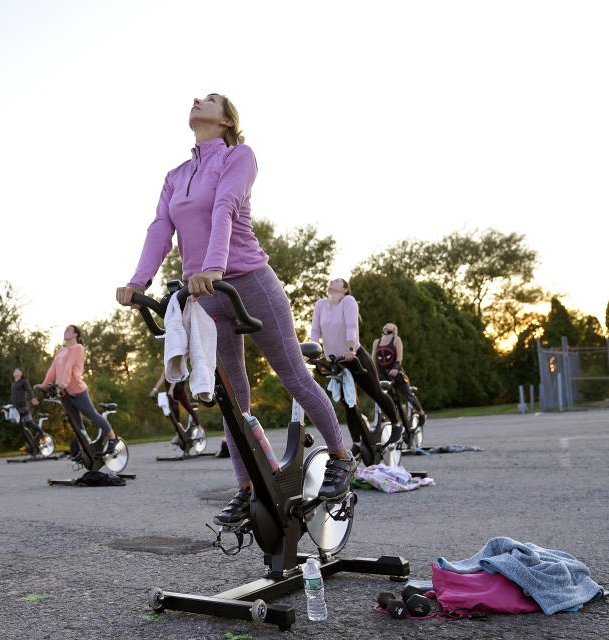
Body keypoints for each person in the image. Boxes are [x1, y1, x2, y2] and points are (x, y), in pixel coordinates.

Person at [116, 93, 354, 527]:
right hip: (206, 293)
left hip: (247, 281)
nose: (195, 101)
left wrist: (212, 266)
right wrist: (138, 281)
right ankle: (248, 489)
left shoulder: (239, 157)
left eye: (207, 100)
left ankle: (341, 457)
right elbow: (159, 229)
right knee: (232, 400)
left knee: (294, 376)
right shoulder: (176, 175)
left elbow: (225, 206)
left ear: (226, 119)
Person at [310, 278, 403, 454]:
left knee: (375, 391)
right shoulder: (320, 305)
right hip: (336, 361)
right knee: (349, 404)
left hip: (355, 356)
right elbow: (315, 331)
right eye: (331, 280)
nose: (332, 281)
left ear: (345, 289)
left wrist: (351, 348)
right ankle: (358, 443)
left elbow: (351, 326)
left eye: (337, 281)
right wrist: (311, 351)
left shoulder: (348, 301)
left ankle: (397, 424)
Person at [34, 325, 119, 455]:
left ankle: (113, 438)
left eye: (68, 329)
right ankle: (83, 449)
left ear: (76, 335)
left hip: (78, 391)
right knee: (76, 423)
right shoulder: (60, 351)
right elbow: (52, 370)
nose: (65, 331)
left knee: (91, 414)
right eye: (65, 329)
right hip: (63, 393)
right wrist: (44, 385)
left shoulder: (78, 348)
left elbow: (69, 366)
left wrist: (64, 383)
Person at [371, 323, 426, 423]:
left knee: (408, 394)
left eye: (390, 325)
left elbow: (399, 358)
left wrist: (396, 368)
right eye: (386, 324)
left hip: (397, 374)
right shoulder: (377, 342)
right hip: (383, 375)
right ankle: (386, 416)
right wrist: (373, 372)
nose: (387, 325)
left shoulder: (396, 340)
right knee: (384, 397)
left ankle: (421, 413)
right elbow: (373, 359)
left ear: (394, 330)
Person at [150, 370, 201, 438]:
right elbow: (162, 378)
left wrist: (171, 389)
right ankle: (179, 433)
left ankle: (199, 428)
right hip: (170, 393)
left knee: (189, 408)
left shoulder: (175, 362)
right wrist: (154, 390)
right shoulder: (166, 366)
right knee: (175, 412)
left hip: (180, 391)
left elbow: (175, 377)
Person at [9, 367, 42, 451]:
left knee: (29, 423)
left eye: (17, 370)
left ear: (21, 374)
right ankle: (30, 445)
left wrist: (32, 398)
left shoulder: (24, 381)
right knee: (21, 428)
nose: (15, 371)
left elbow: (29, 390)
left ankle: (42, 434)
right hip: (16, 409)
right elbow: (12, 396)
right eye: (14, 370)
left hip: (23, 407)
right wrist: (7, 407)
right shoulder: (13, 384)